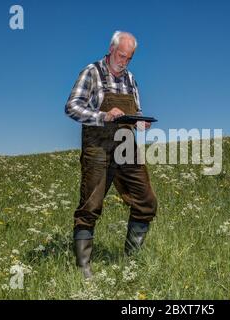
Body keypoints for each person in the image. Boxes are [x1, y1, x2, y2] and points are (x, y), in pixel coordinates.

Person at [65, 31, 158, 279]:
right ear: (111, 49)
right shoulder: (92, 72)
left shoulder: (131, 79)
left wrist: (140, 122)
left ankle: (131, 261)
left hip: (126, 145)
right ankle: (84, 269)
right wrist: (103, 116)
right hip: (98, 147)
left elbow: (135, 110)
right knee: (90, 206)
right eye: (120, 55)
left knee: (146, 201)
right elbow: (72, 106)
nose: (123, 62)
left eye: (128, 58)